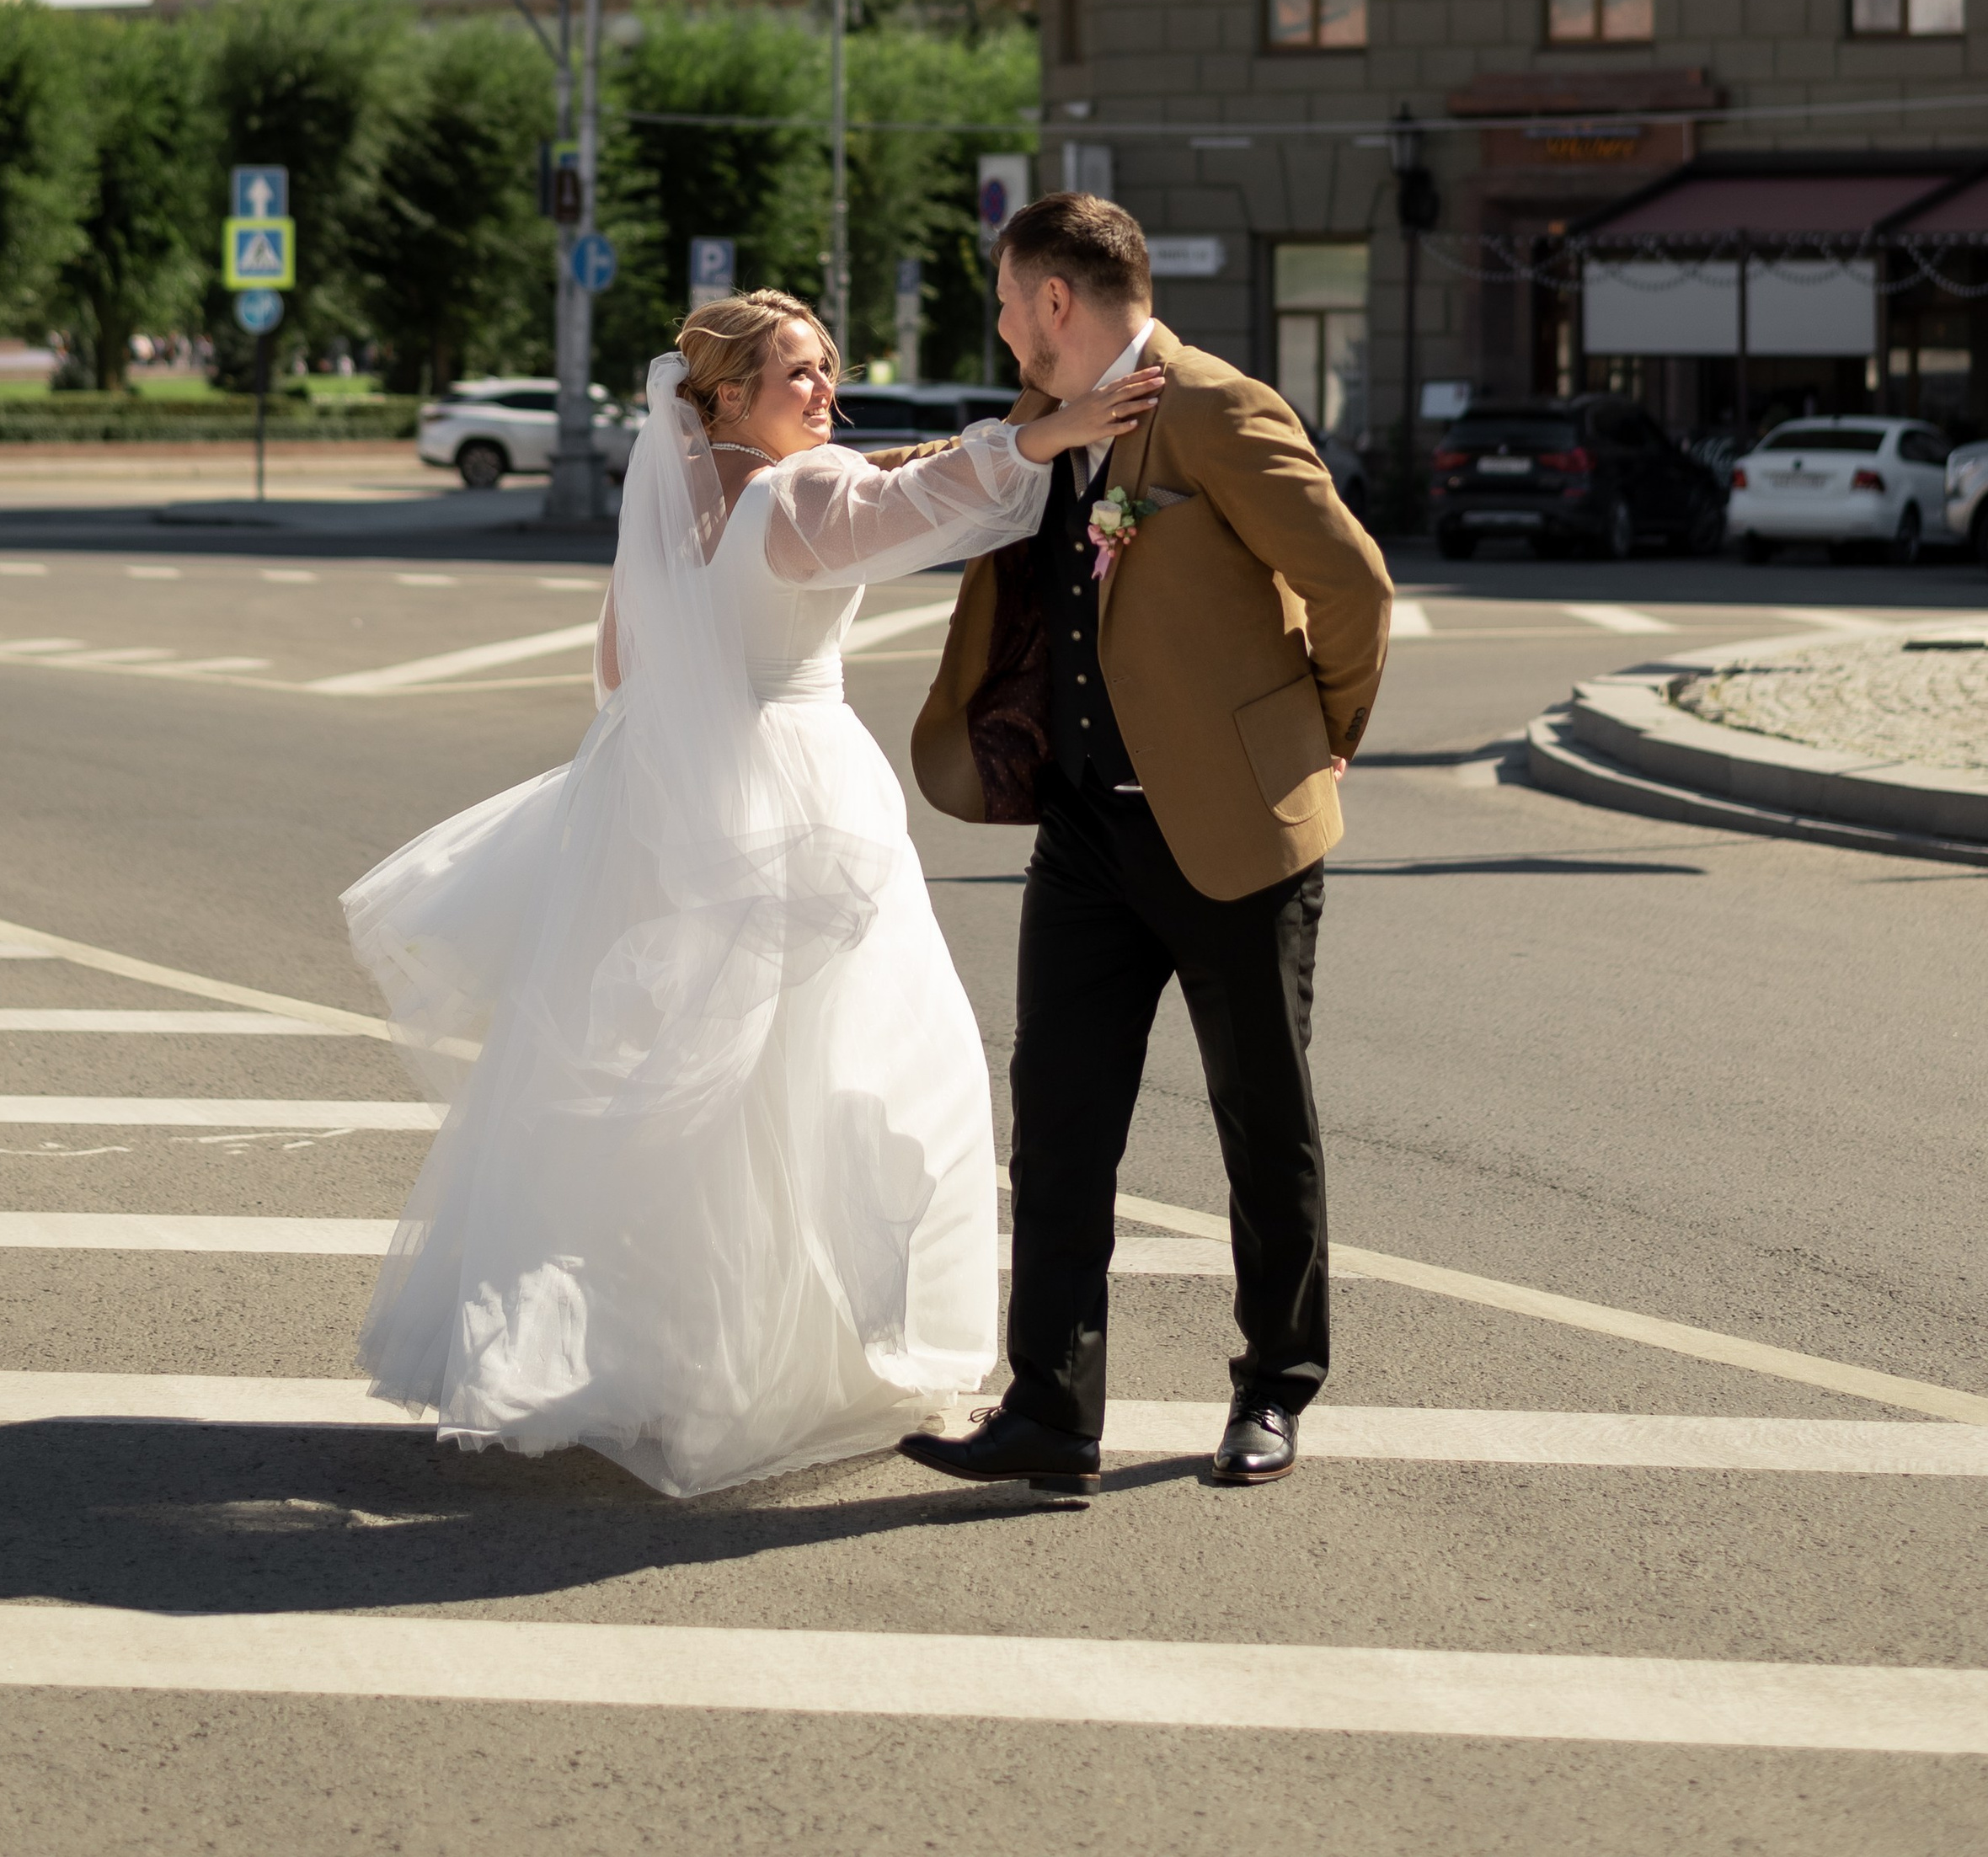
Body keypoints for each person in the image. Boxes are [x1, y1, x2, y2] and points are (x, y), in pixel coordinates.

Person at [341, 287, 1161, 1499]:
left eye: (828, 367)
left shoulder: (680, 502)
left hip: (657, 800)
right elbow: (920, 505)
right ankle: (795, 1364)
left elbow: (621, 665)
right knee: (850, 1079)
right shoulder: (801, 491)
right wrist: (1051, 430)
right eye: (799, 374)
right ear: (728, 395)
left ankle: (670, 1357)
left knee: (697, 1097)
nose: (827, 389)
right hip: (802, 796)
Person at [900, 193, 1392, 1497]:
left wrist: (1321, 736)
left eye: (1009, 304)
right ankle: (1052, 1414)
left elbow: (1352, 585)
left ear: (1056, 301)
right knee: (1058, 1129)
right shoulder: (1039, 426)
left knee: (1260, 1119)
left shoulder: (1217, 409)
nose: (1003, 329)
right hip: (1084, 839)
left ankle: (1276, 1387)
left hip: (1232, 831)